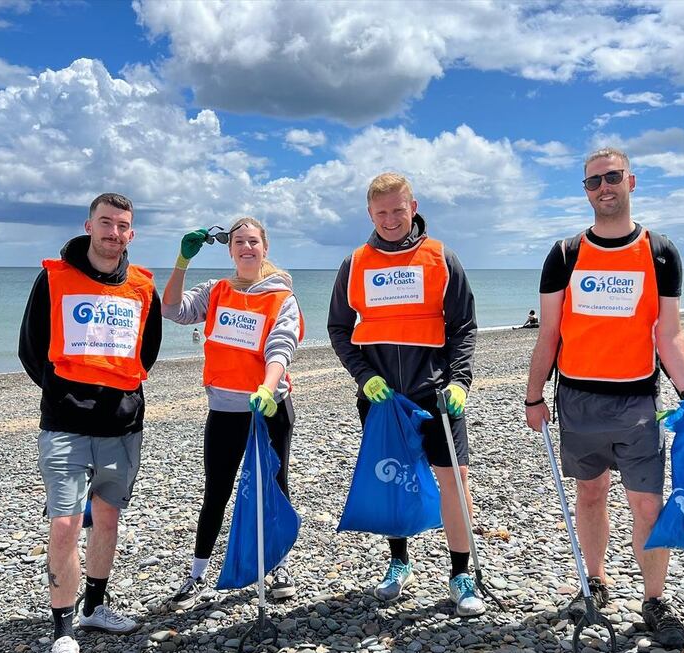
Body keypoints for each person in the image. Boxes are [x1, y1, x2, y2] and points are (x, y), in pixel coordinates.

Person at [524, 148, 684, 648]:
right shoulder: (565, 253)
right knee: (590, 494)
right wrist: (533, 396)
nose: (603, 187)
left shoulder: (659, 251)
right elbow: (548, 333)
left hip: (638, 403)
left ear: (631, 180)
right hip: (577, 401)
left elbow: (669, 334)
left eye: (612, 177)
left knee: (648, 504)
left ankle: (654, 600)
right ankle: (595, 582)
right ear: (585, 191)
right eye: (593, 182)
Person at [19, 193, 162, 653]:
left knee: (107, 518)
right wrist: (66, 395)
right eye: (106, 223)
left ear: (131, 234)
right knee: (63, 525)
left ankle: (95, 605)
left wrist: (116, 399)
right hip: (64, 425)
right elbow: (31, 347)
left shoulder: (143, 286)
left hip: (122, 426)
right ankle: (63, 634)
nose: (113, 233)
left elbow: (148, 349)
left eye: (122, 226)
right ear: (89, 225)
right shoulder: (55, 278)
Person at [328, 172, 484, 616]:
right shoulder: (355, 263)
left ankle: (460, 572)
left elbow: (464, 328)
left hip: (436, 393)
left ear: (412, 207)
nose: (391, 219)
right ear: (370, 214)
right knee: (391, 478)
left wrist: (460, 381)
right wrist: (362, 376)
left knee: (453, 480)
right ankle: (398, 562)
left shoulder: (440, 258)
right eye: (382, 212)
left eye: (398, 209)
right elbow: (339, 328)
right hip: (382, 399)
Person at [161, 217, 302, 609]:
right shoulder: (216, 291)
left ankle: (279, 567)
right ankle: (196, 574)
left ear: (265, 248)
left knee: (273, 489)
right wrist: (181, 261)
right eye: (239, 241)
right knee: (216, 492)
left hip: (268, 407)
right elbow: (171, 308)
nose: (246, 248)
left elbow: (282, 346)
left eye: (253, 241)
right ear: (229, 249)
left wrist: (267, 387)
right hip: (224, 409)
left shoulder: (281, 297)